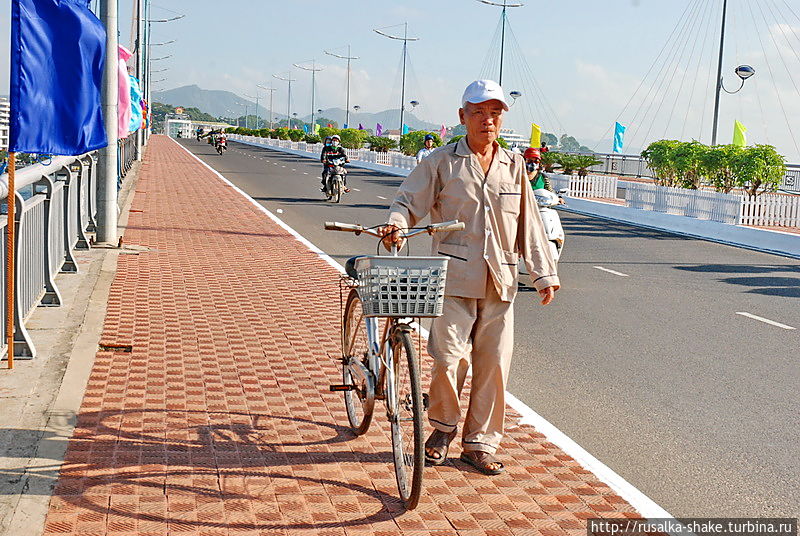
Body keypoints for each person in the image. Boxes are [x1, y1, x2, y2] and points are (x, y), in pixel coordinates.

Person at [379, 80, 560, 475]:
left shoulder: (514, 165)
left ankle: (480, 444)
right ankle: (443, 428)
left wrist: (543, 273)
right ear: (463, 117)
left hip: (501, 281)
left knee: (493, 364)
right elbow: (409, 201)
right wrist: (395, 223)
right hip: (453, 278)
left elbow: (528, 223)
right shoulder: (441, 162)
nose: (487, 120)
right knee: (447, 359)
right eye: (479, 112)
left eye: (494, 113)